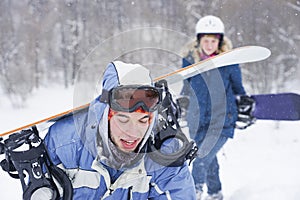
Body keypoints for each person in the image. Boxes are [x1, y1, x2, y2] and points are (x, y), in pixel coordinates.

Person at [44, 61, 196, 199]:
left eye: (143, 120)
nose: (133, 132)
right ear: (105, 116)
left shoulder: (165, 155)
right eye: (123, 120)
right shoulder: (64, 143)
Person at [180, 15, 246, 200]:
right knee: (209, 160)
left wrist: (246, 105)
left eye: (213, 41)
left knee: (201, 158)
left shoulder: (229, 62)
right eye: (206, 40)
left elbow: (239, 90)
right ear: (199, 41)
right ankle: (216, 194)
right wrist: (181, 105)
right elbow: (186, 89)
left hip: (222, 121)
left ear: (220, 42)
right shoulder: (189, 62)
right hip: (197, 121)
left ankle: (193, 194)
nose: (209, 45)